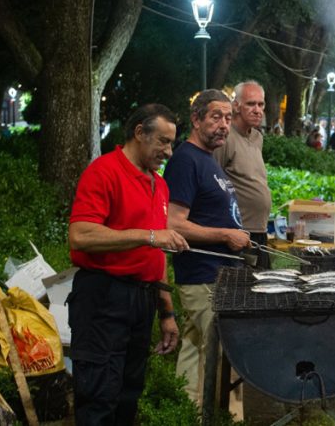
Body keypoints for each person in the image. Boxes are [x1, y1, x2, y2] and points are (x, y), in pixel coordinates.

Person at [67, 104, 189, 424]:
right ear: (139, 133)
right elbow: (80, 235)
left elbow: (157, 253)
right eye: (162, 141)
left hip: (142, 298)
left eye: (172, 143)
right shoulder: (104, 171)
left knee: (128, 393)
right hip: (104, 297)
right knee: (99, 394)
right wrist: (149, 236)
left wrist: (167, 312)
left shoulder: (158, 184)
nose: (169, 152)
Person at [163, 89, 251, 404]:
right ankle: (224, 416)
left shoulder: (207, 160)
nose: (224, 125)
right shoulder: (186, 160)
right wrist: (226, 235)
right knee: (223, 354)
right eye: (216, 117)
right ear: (196, 119)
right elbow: (173, 224)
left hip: (218, 275)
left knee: (195, 348)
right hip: (204, 276)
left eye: (228, 118)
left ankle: (188, 413)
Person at [214, 81, 273, 266]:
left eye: (261, 104)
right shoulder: (226, 137)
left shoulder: (257, 137)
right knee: (240, 290)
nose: (257, 110)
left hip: (260, 231)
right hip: (238, 232)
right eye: (251, 104)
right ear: (236, 106)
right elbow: (213, 182)